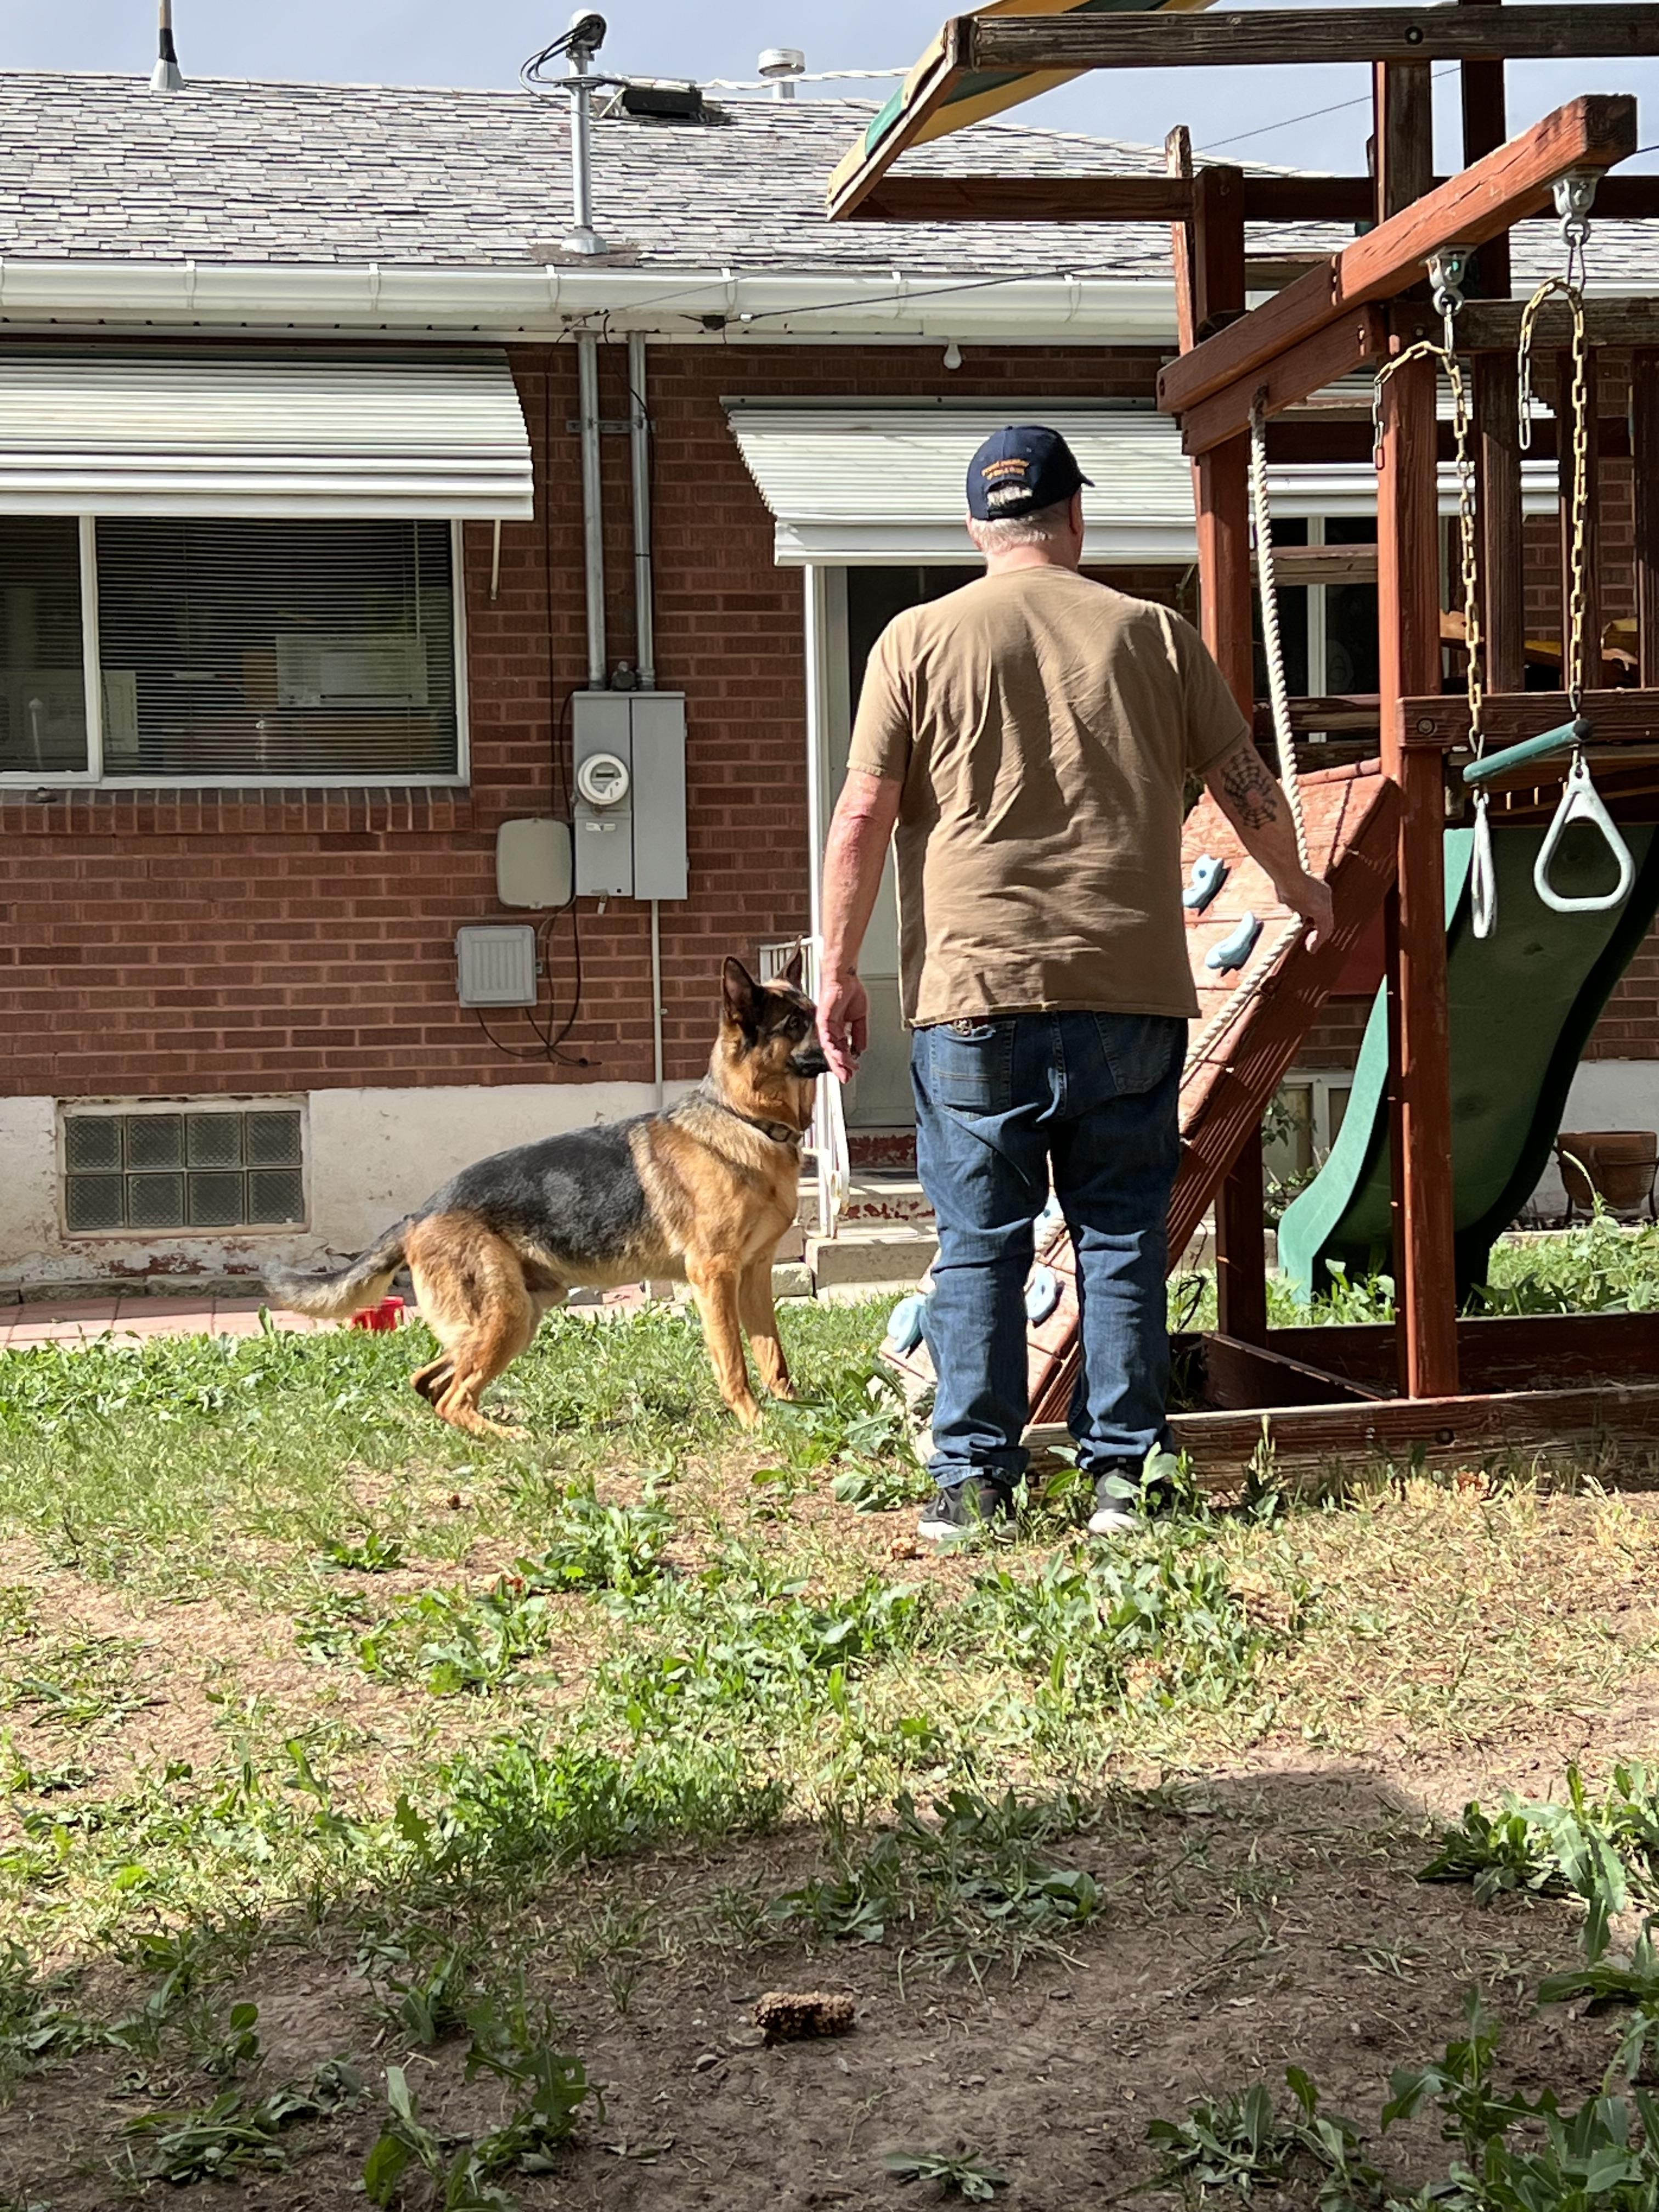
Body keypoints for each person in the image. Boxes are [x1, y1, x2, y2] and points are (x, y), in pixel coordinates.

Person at [815, 424, 1333, 1542]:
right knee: (1119, 1236)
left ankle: (972, 1482)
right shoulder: (1155, 635)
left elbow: (860, 816)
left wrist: (839, 969)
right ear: (1076, 520)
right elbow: (1245, 781)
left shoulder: (914, 640)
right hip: (1128, 989)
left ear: (977, 529)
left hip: (974, 993)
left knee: (980, 1243)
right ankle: (1126, 1477)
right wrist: (1299, 885)